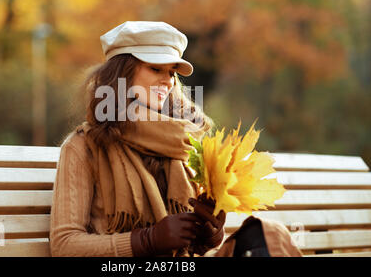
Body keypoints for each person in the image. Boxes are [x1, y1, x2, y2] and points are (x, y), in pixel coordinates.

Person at [49, 21, 302, 257]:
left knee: (266, 235)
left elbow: (194, 246)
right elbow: (64, 244)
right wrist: (146, 240)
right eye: (155, 68)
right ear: (122, 74)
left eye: (172, 72)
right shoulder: (83, 147)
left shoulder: (182, 145)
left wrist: (209, 233)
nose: (167, 81)